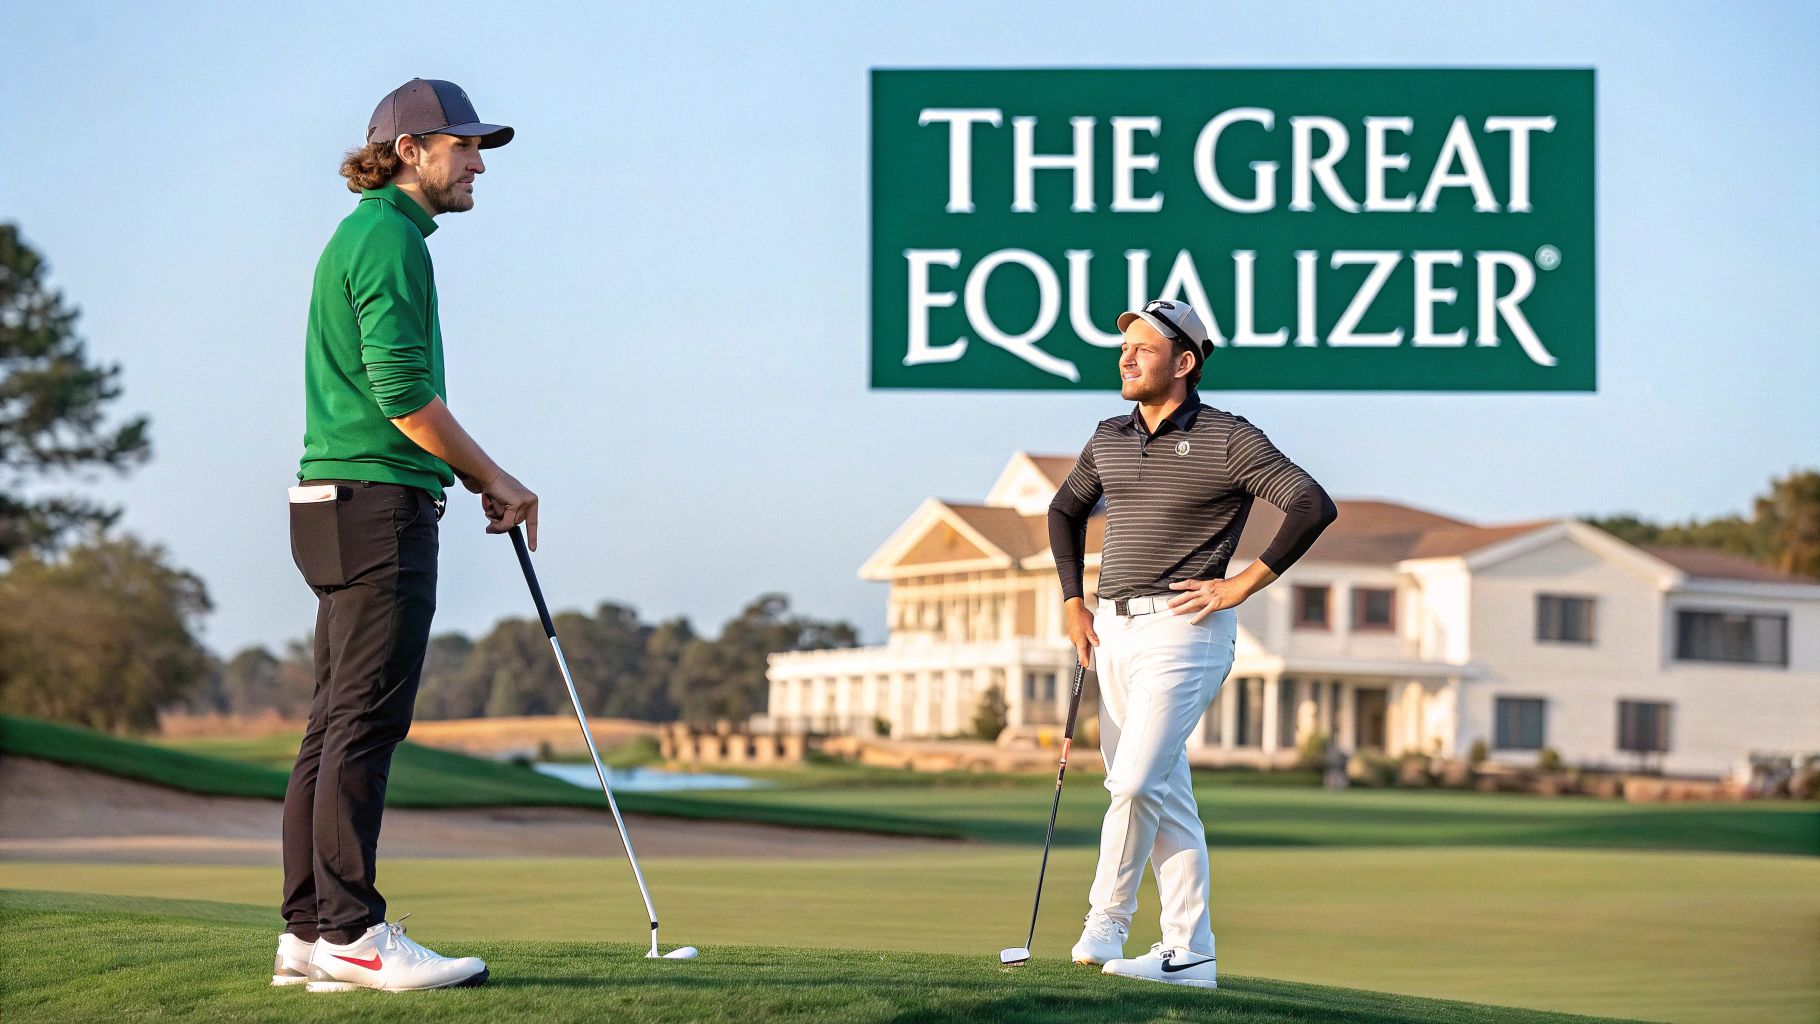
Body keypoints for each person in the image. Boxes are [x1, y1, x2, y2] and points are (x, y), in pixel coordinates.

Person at [275, 78, 538, 993]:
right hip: (378, 504)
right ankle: (352, 931)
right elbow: (402, 393)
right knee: (365, 722)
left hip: (329, 505)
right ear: (411, 149)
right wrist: (492, 476)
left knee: (332, 724)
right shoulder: (388, 238)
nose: (476, 166)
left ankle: (309, 933)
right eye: (464, 148)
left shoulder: (362, 235)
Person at [1047, 298, 1338, 989]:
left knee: (1138, 780)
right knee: (1163, 795)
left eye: (1143, 349)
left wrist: (1245, 583)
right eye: (1124, 348)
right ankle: (1190, 952)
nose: (1125, 357)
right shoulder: (1109, 436)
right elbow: (1065, 510)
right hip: (1112, 631)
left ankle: (1106, 920)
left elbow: (1310, 503)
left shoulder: (1228, 438)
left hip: (1185, 631)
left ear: (1184, 363)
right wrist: (1071, 602)